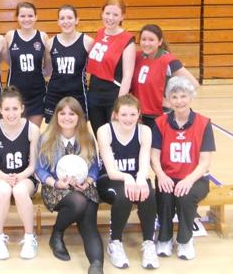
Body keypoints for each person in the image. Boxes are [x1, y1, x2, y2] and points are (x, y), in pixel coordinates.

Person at [36, 97, 104, 274]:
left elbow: (95, 166)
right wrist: (56, 183)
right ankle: (57, 233)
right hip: (55, 188)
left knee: (89, 219)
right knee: (79, 203)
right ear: (56, 116)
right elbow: (40, 169)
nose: (67, 117)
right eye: (62, 113)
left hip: (83, 186)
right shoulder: (46, 138)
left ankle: (96, 265)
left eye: (72, 113)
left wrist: (88, 181)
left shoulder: (87, 138)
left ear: (79, 116)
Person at [151, 76, 215, 260]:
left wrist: (188, 180)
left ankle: (185, 240)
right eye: (174, 96)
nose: (179, 101)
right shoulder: (160, 123)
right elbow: (154, 156)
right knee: (164, 194)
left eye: (183, 96)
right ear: (168, 100)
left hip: (195, 178)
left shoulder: (203, 123)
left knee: (185, 196)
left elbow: (204, 162)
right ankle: (164, 238)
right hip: (168, 176)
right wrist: (161, 175)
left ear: (191, 97)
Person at [96, 94, 158, 269]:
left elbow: (144, 162)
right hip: (110, 179)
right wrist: (129, 177)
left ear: (139, 114)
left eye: (133, 114)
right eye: (124, 114)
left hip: (135, 177)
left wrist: (140, 178)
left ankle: (149, 243)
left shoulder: (144, 131)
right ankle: (115, 242)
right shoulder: (104, 131)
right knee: (124, 196)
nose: (128, 119)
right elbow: (111, 169)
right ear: (115, 114)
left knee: (148, 193)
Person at [0, 86, 40, 260]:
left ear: (22, 108)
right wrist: (5, 177)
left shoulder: (33, 129)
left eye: (15, 108)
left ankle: (30, 237)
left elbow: (33, 165)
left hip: (25, 176)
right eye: (7, 109)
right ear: (0, 110)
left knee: (19, 190)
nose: (11, 113)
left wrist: (19, 177)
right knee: (3, 191)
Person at [131, 24, 200, 129]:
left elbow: (193, 84)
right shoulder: (137, 57)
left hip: (159, 116)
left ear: (159, 41)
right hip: (139, 115)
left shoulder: (168, 61)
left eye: (151, 40)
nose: (146, 43)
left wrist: (171, 100)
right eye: (143, 39)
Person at [87, 0, 136, 134]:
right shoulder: (100, 32)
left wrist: (119, 105)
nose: (110, 18)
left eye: (115, 15)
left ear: (122, 16)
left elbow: (127, 76)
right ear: (102, 13)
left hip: (113, 94)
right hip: (95, 93)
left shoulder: (128, 40)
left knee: (114, 136)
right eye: (107, 13)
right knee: (100, 135)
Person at [43, 5, 94, 123]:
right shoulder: (50, 43)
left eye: (70, 18)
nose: (66, 21)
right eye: (62, 18)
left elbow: (93, 71)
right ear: (58, 22)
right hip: (54, 95)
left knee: (78, 132)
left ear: (77, 20)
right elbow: (47, 71)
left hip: (78, 95)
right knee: (53, 132)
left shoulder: (87, 42)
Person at [5, 2, 48, 127]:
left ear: (36, 17)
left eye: (30, 16)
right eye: (22, 16)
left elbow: (48, 66)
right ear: (17, 18)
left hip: (37, 94)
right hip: (15, 93)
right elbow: (8, 61)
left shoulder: (43, 37)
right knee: (16, 132)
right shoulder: (10, 36)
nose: (26, 19)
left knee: (34, 133)